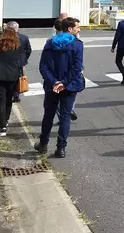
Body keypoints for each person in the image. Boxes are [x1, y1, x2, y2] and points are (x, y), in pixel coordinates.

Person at [35, 17, 85, 158]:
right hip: (69, 86)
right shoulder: (77, 44)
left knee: (48, 115)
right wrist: (64, 82)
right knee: (65, 117)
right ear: (70, 29)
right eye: (77, 27)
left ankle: (43, 144)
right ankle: (61, 148)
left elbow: (43, 66)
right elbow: (77, 67)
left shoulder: (50, 43)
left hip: (52, 86)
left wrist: (54, 82)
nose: (79, 29)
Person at [0, 28, 25, 137]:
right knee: (9, 99)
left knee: (0, 101)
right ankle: (6, 120)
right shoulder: (17, 46)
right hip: (12, 77)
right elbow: (22, 61)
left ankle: (2, 127)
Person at [5, 21, 31, 103]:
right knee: (19, 77)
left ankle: (10, 93)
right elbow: (28, 50)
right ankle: (16, 95)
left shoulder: (5, 38)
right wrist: (24, 58)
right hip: (20, 61)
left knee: (8, 77)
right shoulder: (24, 37)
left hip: (8, 60)